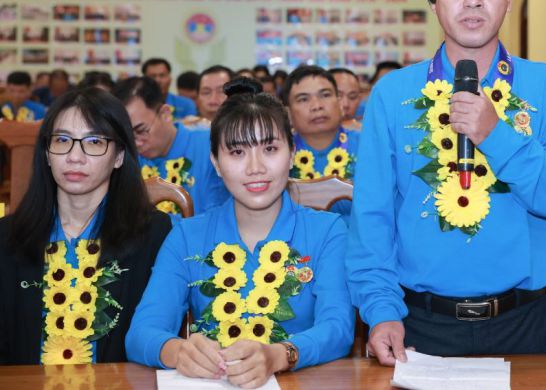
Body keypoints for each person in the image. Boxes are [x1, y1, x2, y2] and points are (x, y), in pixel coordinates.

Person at [346, 0, 546, 363]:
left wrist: (496, 134)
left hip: (523, 321)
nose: (473, 0)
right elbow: (372, 217)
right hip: (418, 324)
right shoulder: (393, 94)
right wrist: (381, 310)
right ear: (434, 3)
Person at [126, 79, 353, 385]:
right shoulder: (187, 236)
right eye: (237, 153)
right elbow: (141, 333)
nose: (255, 167)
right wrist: (176, 350)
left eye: (270, 148)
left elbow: (338, 328)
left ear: (292, 153)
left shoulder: (327, 231)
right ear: (216, 164)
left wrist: (279, 354)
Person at [0, 88, 171, 364]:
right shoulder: (7, 237)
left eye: (93, 142)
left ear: (118, 156)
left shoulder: (154, 235)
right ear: (46, 153)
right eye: (62, 140)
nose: (74, 156)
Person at [113, 77, 230, 216]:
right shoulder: (125, 158)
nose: (136, 143)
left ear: (165, 114)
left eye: (141, 131)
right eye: (127, 136)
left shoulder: (211, 145)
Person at [282, 66, 358, 221]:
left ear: (339, 102)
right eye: (303, 99)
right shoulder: (278, 153)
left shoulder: (369, 146)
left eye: (325, 95)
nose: (317, 106)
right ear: (288, 112)